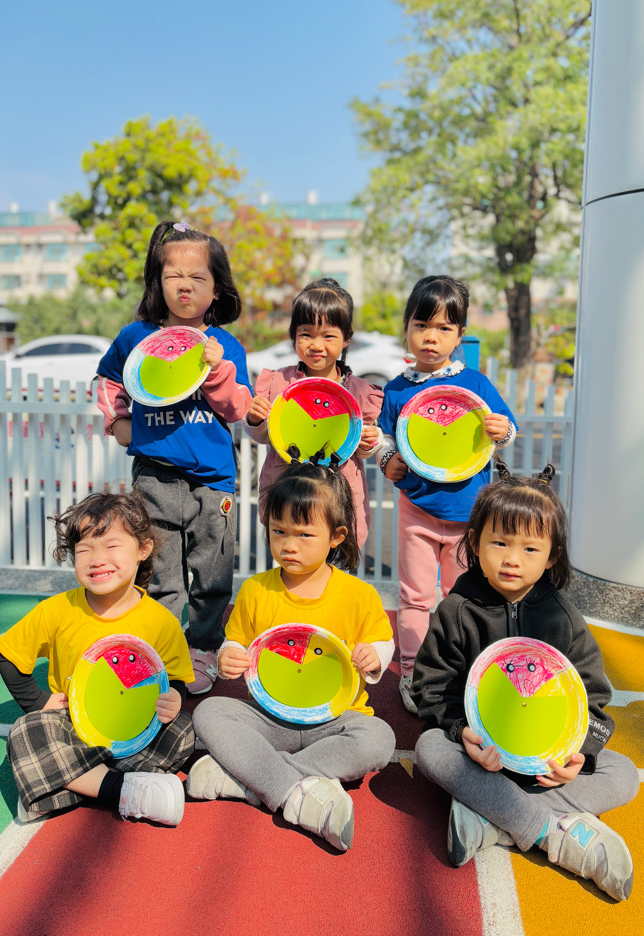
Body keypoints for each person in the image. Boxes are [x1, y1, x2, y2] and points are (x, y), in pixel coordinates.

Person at [412, 466, 639, 901]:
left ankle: (493, 821)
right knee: (429, 748)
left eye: (530, 548)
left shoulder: (564, 618)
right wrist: (460, 730)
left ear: (552, 555)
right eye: (499, 543)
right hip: (483, 758)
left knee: (623, 772)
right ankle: (553, 832)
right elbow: (431, 686)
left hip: (545, 766)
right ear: (475, 543)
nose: (512, 559)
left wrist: (579, 753)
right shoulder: (457, 611)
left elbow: (593, 695)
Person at [187, 462, 396, 852]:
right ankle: (300, 791)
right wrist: (229, 656)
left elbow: (382, 642)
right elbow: (235, 642)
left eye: (304, 534)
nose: (289, 545)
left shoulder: (358, 595)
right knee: (210, 711)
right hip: (270, 718)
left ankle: (253, 781)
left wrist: (375, 656)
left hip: (334, 721)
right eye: (279, 531)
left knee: (379, 738)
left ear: (336, 537)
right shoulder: (256, 590)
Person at [96, 222, 252, 695]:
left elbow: (239, 408)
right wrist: (118, 422)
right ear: (157, 282)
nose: (185, 286)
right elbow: (107, 380)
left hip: (213, 479)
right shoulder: (136, 337)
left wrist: (216, 368)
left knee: (212, 573)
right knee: (160, 572)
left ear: (217, 288)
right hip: (154, 475)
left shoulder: (225, 345)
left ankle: (202, 647)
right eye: (173, 276)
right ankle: (163, 651)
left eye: (197, 278)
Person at [0, 492, 197, 826]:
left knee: (184, 730)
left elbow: (174, 679)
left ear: (143, 549)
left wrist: (175, 697)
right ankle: (122, 790)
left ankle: (60, 786)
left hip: (136, 731)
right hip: (71, 727)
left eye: (111, 545)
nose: (97, 559)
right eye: (84, 550)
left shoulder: (161, 621)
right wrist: (37, 701)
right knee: (27, 732)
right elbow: (7, 654)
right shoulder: (57, 610)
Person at [376, 275, 517, 713]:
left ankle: (461, 672)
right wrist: (386, 459)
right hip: (416, 510)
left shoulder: (475, 383)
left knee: (462, 599)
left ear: (459, 335)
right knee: (415, 597)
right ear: (406, 328)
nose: (430, 337)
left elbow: (507, 428)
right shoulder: (398, 388)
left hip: (468, 515)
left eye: (443, 328)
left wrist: (501, 429)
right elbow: (383, 437)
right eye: (421, 325)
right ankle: (414, 672)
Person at [243, 277, 383, 549]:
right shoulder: (278, 383)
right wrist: (255, 419)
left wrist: (369, 441)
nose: (316, 345)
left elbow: (362, 447)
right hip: (289, 498)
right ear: (293, 335)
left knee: (336, 568)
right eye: (306, 334)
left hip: (337, 501)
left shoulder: (359, 392)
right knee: (291, 559)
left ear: (346, 338)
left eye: (328, 336)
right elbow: (264, 436)